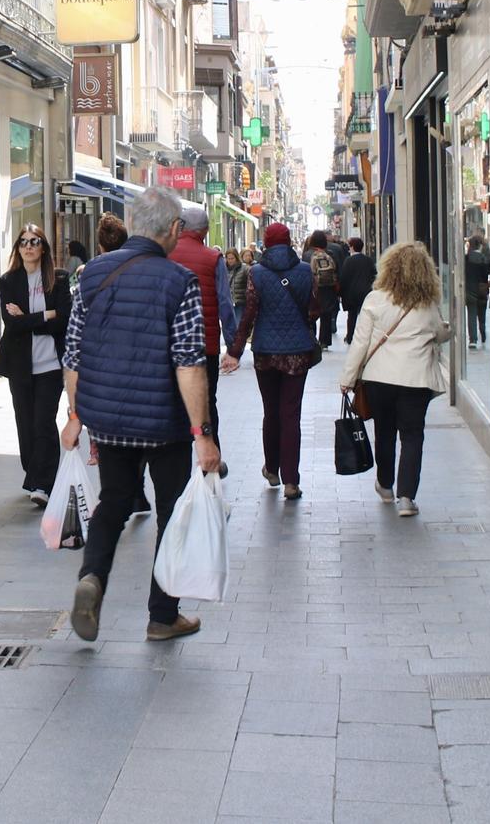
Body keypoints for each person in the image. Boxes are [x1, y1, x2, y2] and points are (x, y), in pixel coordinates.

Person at [58, 185, 223, 644]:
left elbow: (73, 354)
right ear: (173, 230)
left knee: (114, 500)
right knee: (170, 509)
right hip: (163, 424)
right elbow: (189, 363)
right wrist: (202, 433)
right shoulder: (179, 281)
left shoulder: (90, 275)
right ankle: (161, 615)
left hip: (108, 420)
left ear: (131, 226)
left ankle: (92, 577)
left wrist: (75, 415)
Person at [337, 242, 451, 517]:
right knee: (413, 435)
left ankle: (385, 484)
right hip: (416, 379)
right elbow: (439, 333)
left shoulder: (375, 300)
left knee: (384, 432)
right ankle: (407, 498)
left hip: (379, 379)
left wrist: (348, 378)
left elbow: (361, 343)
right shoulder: (428, 303)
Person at [225, 222, 321, 500]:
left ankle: (272, 469)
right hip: (297, 352)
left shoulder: (257, 272)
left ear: (266, 242)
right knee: (291, 414)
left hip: (265, 352)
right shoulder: (305, 270)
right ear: (289, 240)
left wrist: (236, 350)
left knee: (271, 411)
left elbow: (249, 314)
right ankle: (292, 480)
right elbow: (315, 309)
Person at [0, 223, 71, 505]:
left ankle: (43, 483)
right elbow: (12, 325)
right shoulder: (8, 281)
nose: (28, 246)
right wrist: (44, 316)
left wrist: (29, 318)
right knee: (25, 426)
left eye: (34, 242)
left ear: (43, 248)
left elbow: (63, 320)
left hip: (51, 365)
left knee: (43, 424)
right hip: (19, 366)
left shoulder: (59, 279)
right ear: (18, 248)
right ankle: (34, 471)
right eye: (24, 242)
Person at [168, 206, 235, 470]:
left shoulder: (166, 253)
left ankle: (172, 465)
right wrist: (233, 347)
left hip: (168, 344)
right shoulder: (212, 257)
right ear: (205, 231)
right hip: (205, 345)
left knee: (170, 404)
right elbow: (225, 303)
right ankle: (211, 459)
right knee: (207, 403)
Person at [303, 230, 341, 350]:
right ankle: (324, 341)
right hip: (328, 288)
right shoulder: (330, 253)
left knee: (311, 313)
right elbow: (337, 270)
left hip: (313, 287)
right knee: (326, 314)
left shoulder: (307, 254)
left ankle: (312, 338)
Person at [337, 236, 378, 344]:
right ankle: (367, 337)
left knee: (352, 316)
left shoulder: (348, 261)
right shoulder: (368, 260)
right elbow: (374, 274)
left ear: (352, 247)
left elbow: (344, 277)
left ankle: (350, 336)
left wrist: (341, 293)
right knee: (366, 316)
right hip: (366, 292)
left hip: (352, 293)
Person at [463, 233, 490, 349]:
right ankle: (483, 333)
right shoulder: (484, 259)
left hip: (469, 289)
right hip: (482, 290)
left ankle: (473, 340)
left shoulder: (466, 259)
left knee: (471, 314)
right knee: (482, 313)